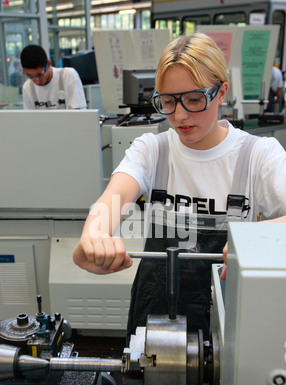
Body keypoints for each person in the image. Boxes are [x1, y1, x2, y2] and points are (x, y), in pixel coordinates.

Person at [73, 33, 286, 343]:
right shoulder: (152, 151)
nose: (180, 115)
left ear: (221, 91)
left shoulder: (258, 156)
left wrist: (252, 241)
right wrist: (94, 234)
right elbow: (111, 202)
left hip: (227, 322)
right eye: (168, 101)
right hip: (154, 318)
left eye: (195, 99)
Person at [20, 44, 87, 110]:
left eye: (39, 74)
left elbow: (78, 115)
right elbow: (29, 118)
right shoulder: (28, 87)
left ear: (48, 63)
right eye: (30, 76)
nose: (36, 80)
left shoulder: (68, 76)